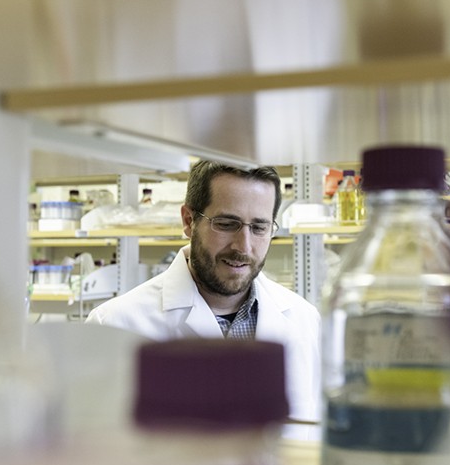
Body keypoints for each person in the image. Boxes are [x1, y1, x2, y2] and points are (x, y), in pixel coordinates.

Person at [85, 160, 321, 422]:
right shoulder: (114, 324)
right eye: (226, 223)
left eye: (259, 227)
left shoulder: (304, 319)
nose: (243, 246)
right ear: (188, 221)